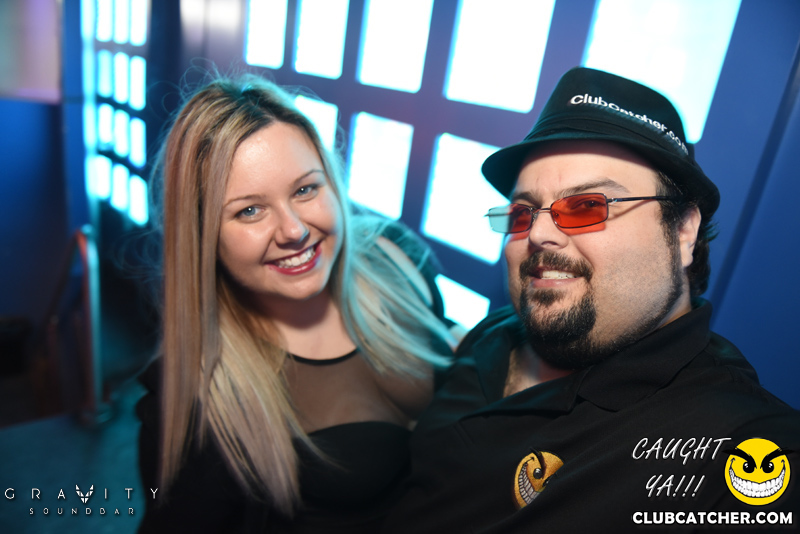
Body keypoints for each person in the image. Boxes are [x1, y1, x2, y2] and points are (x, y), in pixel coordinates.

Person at [382, 67, 800, 533]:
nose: (538, 233)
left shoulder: (738, 449)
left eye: (586, 206)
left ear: (683, 230)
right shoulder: (493, 333)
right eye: (522, 213)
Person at [135, 75, 456, 533]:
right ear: (203, 236)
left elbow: (446, 337)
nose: (294, 231)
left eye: (305, 189)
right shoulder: (196, 404)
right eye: (249, 210)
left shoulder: (394, 253)